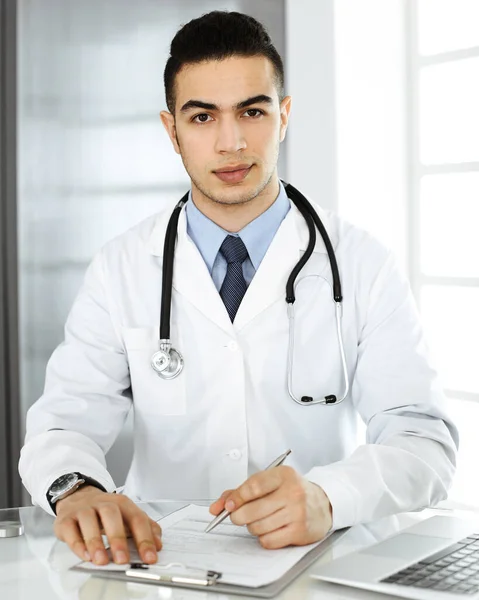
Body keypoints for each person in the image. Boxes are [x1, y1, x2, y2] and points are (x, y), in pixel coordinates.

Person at [19, 11, 458, 568]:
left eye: (252, 111)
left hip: (317, 565)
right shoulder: (122, 267)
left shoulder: (363, 263)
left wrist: (330, 496)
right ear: (171, 130)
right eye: (202, 117)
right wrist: (78, 490)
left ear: (285, 116)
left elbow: (424, 443)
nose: (231, 142)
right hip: (160, 564)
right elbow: (64, 422)